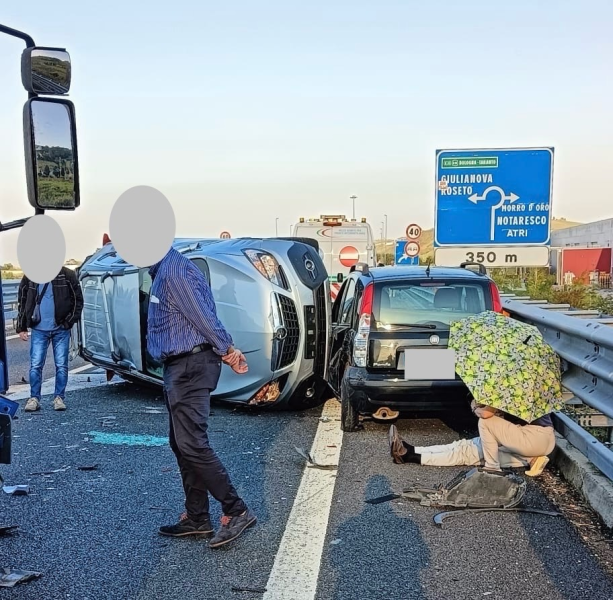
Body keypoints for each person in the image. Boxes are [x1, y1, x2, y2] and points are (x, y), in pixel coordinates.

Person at [147, 245, 256, 549]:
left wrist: (228, 349)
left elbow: (203, 316)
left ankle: (237, 510)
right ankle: (197, 517)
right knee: (181, 443)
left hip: (190, 366)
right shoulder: (163, 270)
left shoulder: (174, 271)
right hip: (180, 366)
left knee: (192, 443)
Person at [388, 401, 556, 477]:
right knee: (466, 446)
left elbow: (486, 414)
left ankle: (493, 468)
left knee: (475, 441)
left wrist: (475, 406)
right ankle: (411, 451)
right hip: (539, 439)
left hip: (530, 439)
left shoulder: (509, 388)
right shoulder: (526, 385)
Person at [16, 267, 84, 412]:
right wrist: (21, 327)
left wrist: (68, 322)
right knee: (35, 365)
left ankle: (59, 398)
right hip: (39, 329)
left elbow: (78, 300)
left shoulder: (67, 275)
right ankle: (34, 398)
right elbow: (22, 300)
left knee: (61, 365)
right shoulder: (30, 275)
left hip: (61, 328)